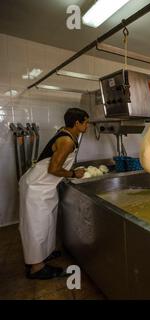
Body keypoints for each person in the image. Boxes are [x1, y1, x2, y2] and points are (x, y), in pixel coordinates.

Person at [19, 108, 89, 280]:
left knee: (47, 223)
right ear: (77, 123)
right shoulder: (67, 141)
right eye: (86, 122)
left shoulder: (65, 132)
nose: (88, 125)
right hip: (37, 187)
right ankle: (36, 268)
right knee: (37, 227)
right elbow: (54, 168)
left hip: (44, 186)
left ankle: (43, 254)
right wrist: (73, 174)